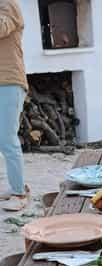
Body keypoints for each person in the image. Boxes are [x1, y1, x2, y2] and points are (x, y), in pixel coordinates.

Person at [0, 0, 29, 211]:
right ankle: (16, 187)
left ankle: (20, 193)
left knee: (7, 138)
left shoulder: (8, 4)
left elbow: (2, 28)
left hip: (9, 82)